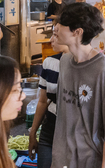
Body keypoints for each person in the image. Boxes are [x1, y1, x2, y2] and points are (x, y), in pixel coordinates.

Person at [51, 2, 105, 168]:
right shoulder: (64, 61)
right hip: (65, 157)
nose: (56, 27)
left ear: (77, 32)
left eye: (61, 24)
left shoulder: (103, 69)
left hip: (92, 159)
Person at [29, 21, 68, 168]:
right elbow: (43, 101)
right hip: (50, 127)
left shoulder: (86, 65)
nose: (52, 39)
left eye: (56, 35)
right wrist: (33, 132)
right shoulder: (50, 63)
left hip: (73, 132)